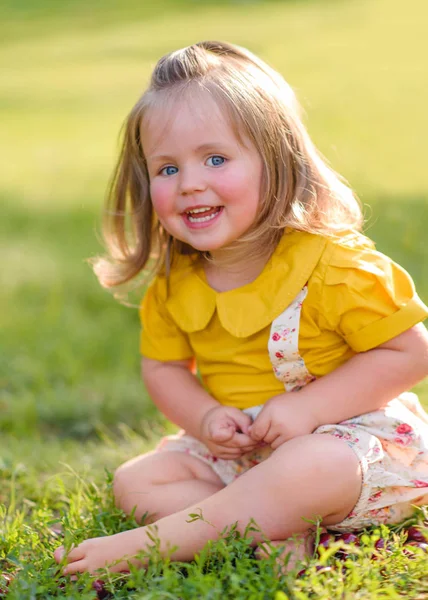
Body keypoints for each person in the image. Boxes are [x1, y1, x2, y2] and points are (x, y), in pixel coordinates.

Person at [54, 41, 428, 575]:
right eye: (166, 169)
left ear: (276, 160)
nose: (190, 184)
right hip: (242, 456)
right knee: (135, 480)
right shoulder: (175, 282)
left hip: (347, 444)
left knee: (308, 465)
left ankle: (157, 542)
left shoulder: (332, 265)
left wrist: (307, 411)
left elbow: (409, 353)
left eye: (215, 159)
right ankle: (271, 530)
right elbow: (163, 370)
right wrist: (204, 418)